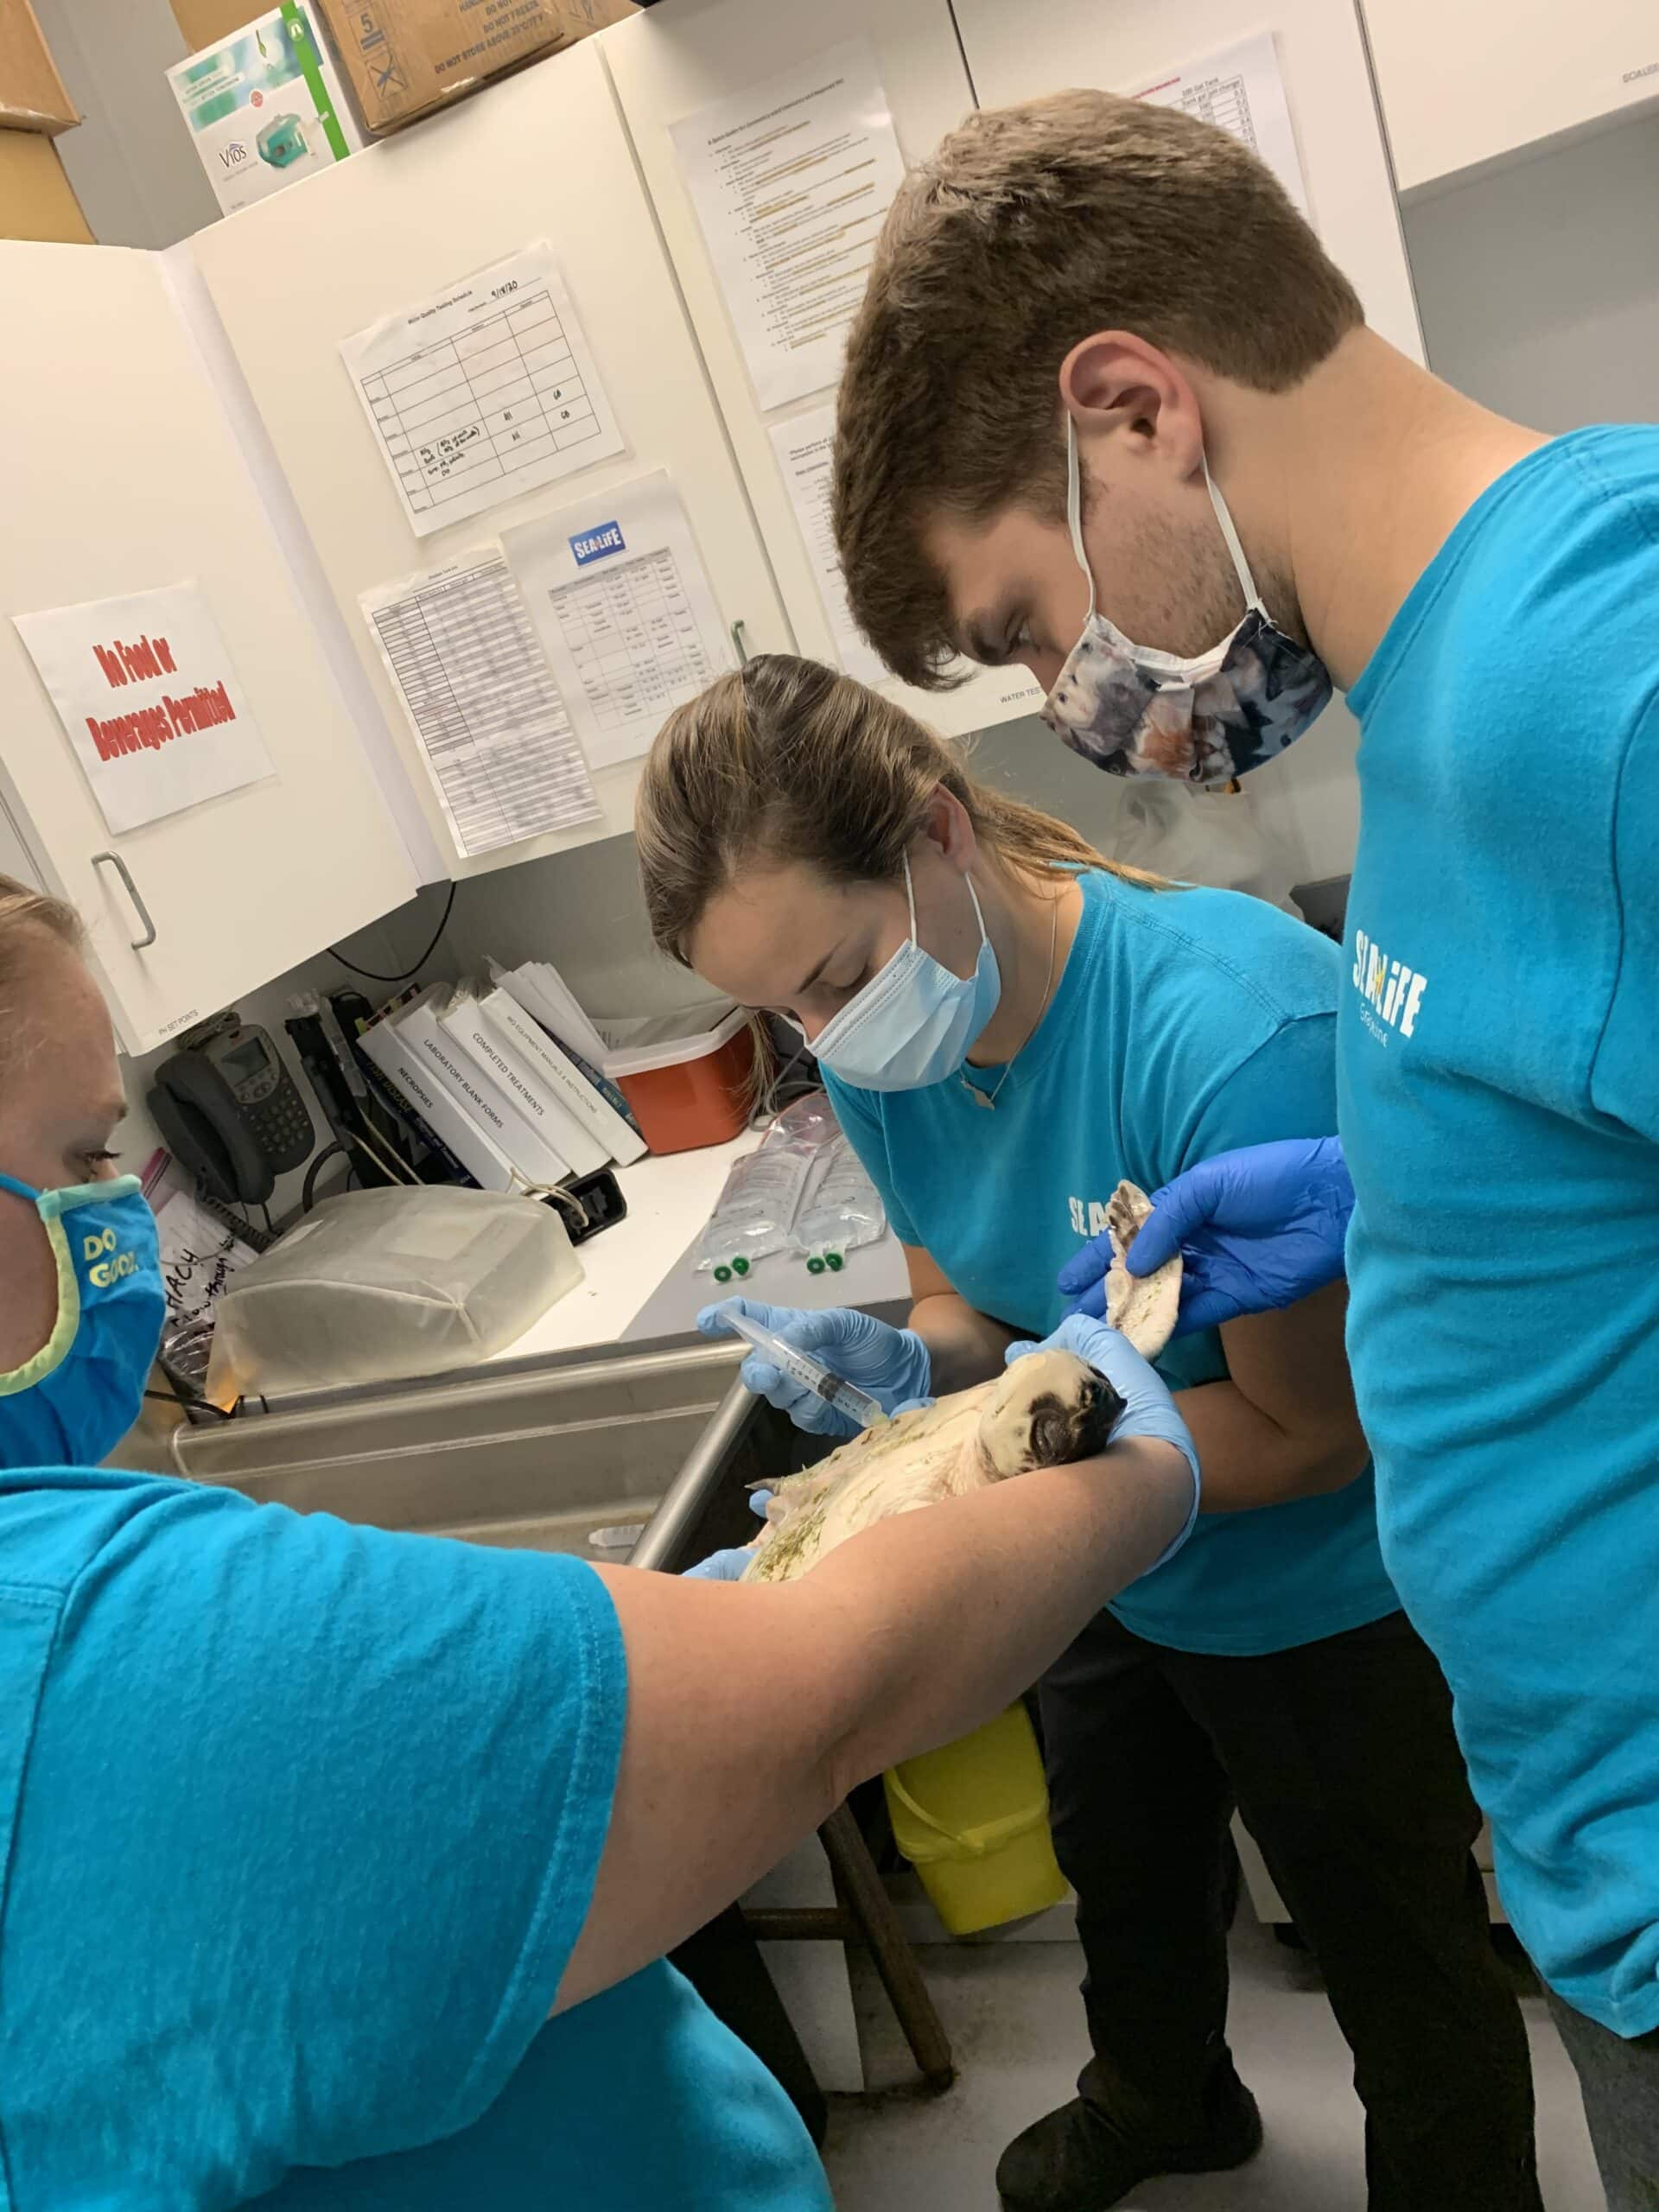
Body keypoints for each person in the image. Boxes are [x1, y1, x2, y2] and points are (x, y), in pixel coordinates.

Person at [828, 87, 1659, 2203]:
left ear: (1133, 412)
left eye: (1022, 621)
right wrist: (1407, 1207)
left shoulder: (1604, 686)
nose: (1065, 690)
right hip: (1586, 1856)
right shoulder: (1458, 701)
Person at [0, 874, 1199, 2206]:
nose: (111, 1210)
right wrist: (1140, 1471)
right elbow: (834, 1694)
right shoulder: (112, 1640)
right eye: (85, 1158)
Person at [634, 654, 1540, 2212]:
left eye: (838, 977)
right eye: (776, 1004)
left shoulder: (1226, 1033)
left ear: (938, 836)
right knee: (1126, 1879)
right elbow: (965, 1315)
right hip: (1100, 1556)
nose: (826, 1032)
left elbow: (1309, 1433)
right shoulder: (886, 1055)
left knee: (1397, 1967)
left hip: (1317, 1591)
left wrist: (1025, 1460)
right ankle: (1169, 2099)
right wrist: (911, 1381)